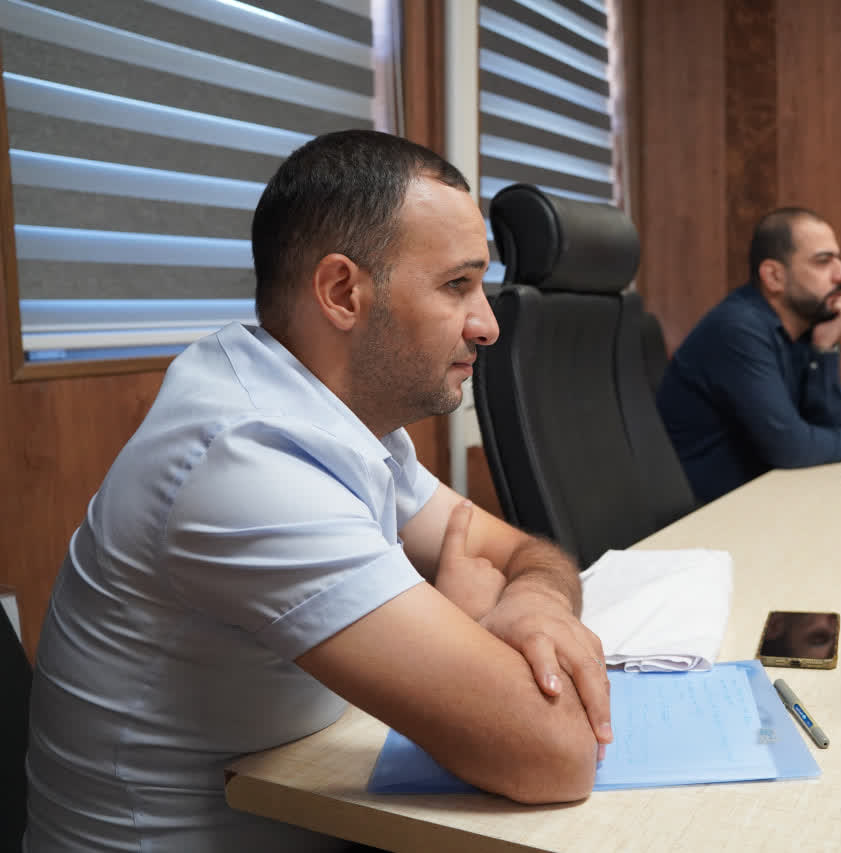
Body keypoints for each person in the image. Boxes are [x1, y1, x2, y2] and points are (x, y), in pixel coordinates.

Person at [24, 130, 612, 852]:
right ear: (341, 293)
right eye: (457, 285)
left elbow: (522, 551)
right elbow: (556, 753)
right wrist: (469, 624)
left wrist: (533, 599)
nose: (487, 324)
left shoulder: (341, 418)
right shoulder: (247, 459)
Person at [657, 207, 841, 503]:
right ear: (774, 276)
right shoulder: (737, 329)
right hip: (709, 514)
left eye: (838, 260)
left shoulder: (801, 330)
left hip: (764, 499)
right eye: (823, 261)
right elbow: (791, 448)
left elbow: (827, 431)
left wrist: (825, 346)